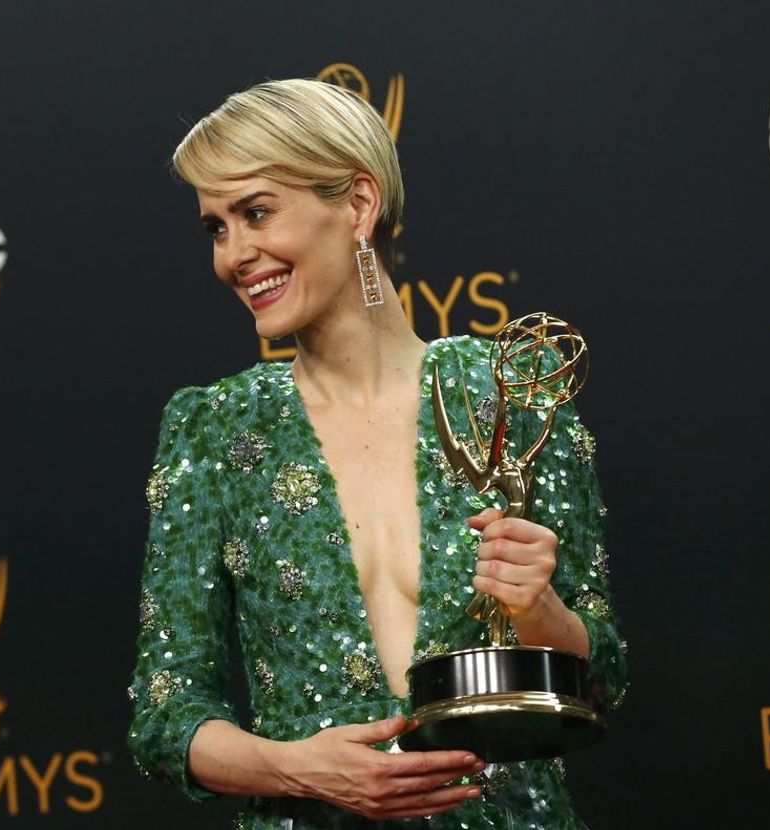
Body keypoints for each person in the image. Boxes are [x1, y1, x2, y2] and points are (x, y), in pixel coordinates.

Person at [127, 78, 628, 829]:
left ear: (358, 205)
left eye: (257, 212)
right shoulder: (213, 430)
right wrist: (297, 768)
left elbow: (602, 677)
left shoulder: (508, 392)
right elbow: (165, 718)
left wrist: (539, 608)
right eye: (216, 228)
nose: (235, 254)